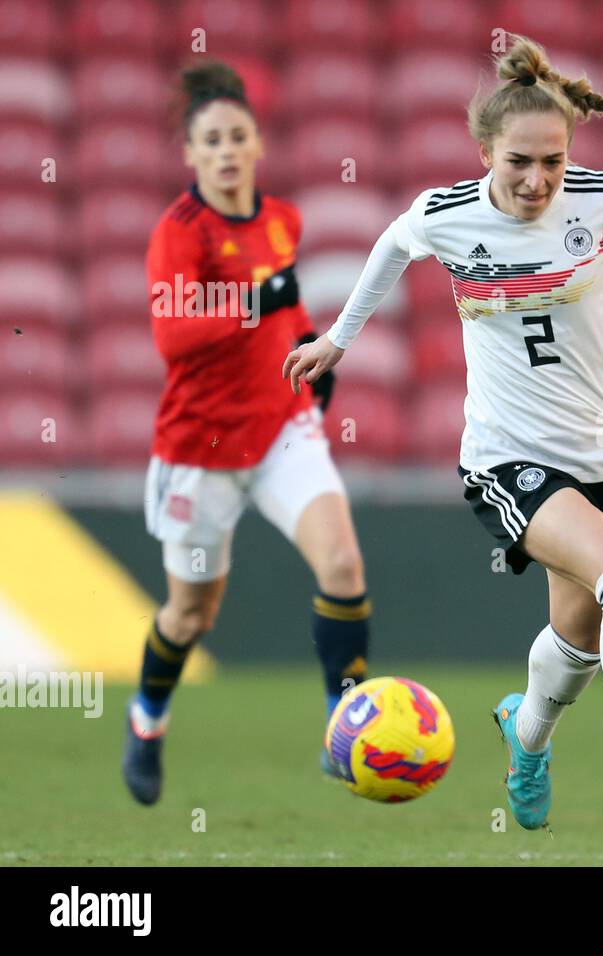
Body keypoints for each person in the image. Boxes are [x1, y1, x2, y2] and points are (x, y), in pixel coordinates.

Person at [284, 36, 603, 845]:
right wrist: (339, 339)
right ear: (485, 150)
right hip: (507, 461)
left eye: (553, 161)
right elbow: (387, 249)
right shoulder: (446, 216)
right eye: (519, 160)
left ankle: (526, 741)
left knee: (578, 639)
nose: (537, 179)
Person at [124, 62, 372, 805]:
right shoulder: (179, 234)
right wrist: (262, 301)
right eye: (212, 140)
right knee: (193, 612)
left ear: (258, 144)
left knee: (344, 566)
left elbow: (288, 311)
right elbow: (174, 338)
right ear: (191, 156)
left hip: (280, 432)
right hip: (200, 451)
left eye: (239, 136)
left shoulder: (280, 220)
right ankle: (147, 716)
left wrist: (309, 349)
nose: (228, 150)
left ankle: (341, 726)